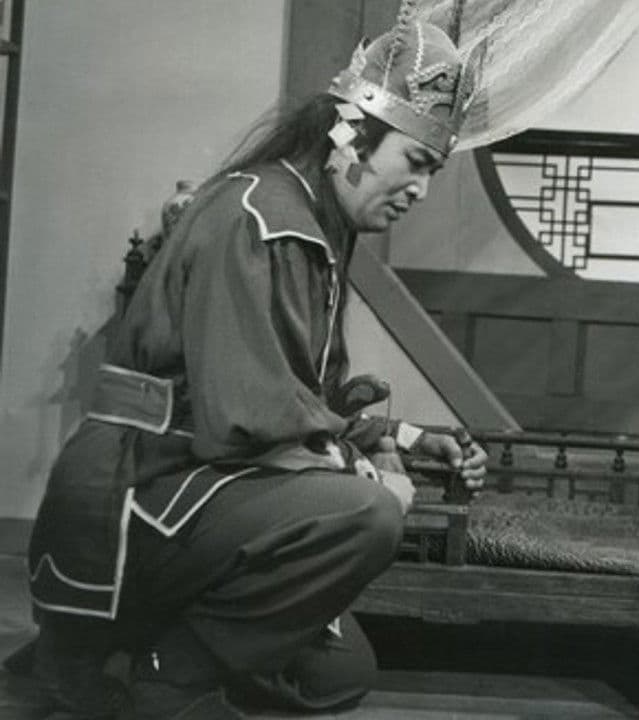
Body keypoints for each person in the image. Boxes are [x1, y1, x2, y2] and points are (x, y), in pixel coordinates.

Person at [23, 5, 488, 719]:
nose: (421, 190)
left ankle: (129, 656)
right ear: (353, 135)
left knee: (338, 673)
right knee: (369, 515)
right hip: (141, 487)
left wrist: (403, 438)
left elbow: (295, 391)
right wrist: (369, 479)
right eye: (416, 163)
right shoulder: (263, 220)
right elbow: (248, 417)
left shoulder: (310, 222)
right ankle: (157, 680)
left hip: (195, 481)